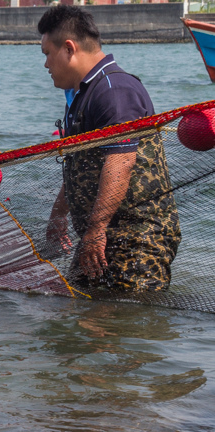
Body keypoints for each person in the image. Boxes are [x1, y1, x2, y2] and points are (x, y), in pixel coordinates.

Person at [39, 5, 180, 292]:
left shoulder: (114, 90)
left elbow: (121, 163)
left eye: (47, 54)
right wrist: (59, 213)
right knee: (76, 310)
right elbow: (84, 165)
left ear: (69, 48)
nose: (46, 65)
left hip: (137, 237)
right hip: (103, 236)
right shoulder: (85, 94)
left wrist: (95, 230)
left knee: (121, 324)